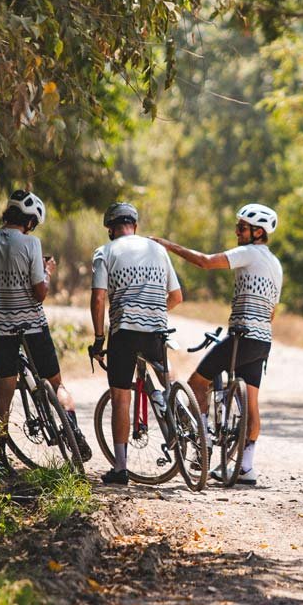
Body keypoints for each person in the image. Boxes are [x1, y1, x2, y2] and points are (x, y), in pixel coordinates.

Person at [152, 203, 282, 486]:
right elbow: (272, 311)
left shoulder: (250, 252)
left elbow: (206, 262)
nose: (237, 232)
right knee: (253, 404)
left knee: (197, 382)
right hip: (262, 340)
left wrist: (167, 245)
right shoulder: (275, 264)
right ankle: (246, 467)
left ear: (258, 232)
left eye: (242, 228)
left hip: (241, 336)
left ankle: (205, 443)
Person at [0, 189, 90, 472]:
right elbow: (40, 293)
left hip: (1, 328)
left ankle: (0, 459)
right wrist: (47, 270)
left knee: (4, 394)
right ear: (30, 221)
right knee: (56, 383)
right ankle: (73, 432)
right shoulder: (32, 243)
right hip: (34, 326)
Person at [88, 201, 183, 486]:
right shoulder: (158, 249)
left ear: (110, 230)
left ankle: (120, 468)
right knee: (165, 382)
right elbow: (177, 296)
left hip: (124, 332)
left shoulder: (105, 252)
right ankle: (182, 419)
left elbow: (98, 298)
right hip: (156, 331)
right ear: (135, 227)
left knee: (121, 396)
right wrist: (154, 314)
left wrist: (98, 338)